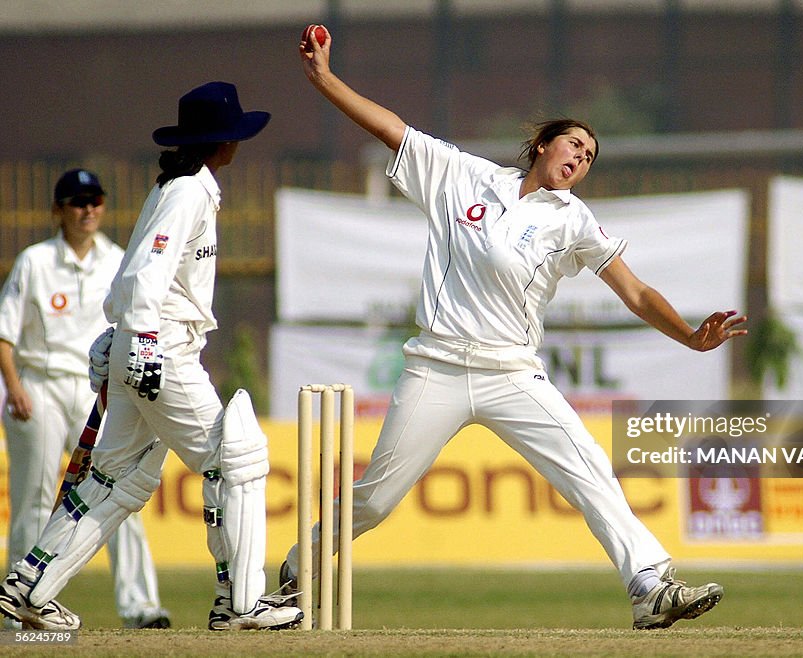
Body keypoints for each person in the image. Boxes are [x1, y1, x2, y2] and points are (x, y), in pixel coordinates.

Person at [279, 27, 747, 630]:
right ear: (543, 144)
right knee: (377, 498)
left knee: (589, 469)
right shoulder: (461, 177)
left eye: (589, 158)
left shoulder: (573, 219)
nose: (580, 159)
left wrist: (687, 335)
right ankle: (298, 568)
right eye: (574, 144)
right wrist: (322, 79)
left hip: (512, 374)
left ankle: (649, 587)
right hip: (437, 366)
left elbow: (633, 290)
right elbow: (387, 127)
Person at [0, 82, 303, 631]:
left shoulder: (182, 186)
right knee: (238, 460)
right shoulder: (187, 191)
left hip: (150, 345)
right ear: (223, 142)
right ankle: (241, 603)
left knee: (117, 481)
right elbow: (145, 276)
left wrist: (116, 340)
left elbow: (128, 274)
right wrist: (137, 341)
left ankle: (30, 586)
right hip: (163, 349)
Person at [0, 169, 171, 629]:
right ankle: (19, 607)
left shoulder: (117, 259)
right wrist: (14, 387)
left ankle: (141, 606)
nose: (88, 209)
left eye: (95, 200)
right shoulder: (34, 261)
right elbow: (4, 333)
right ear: (59, 210)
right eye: (77, 202)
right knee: (35, 497)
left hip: (96, 391)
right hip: (37, 386)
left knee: (118, 492)